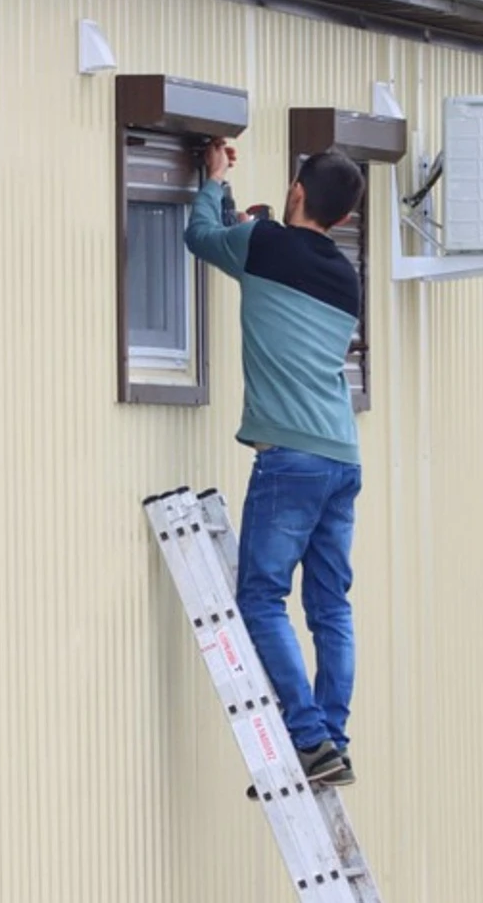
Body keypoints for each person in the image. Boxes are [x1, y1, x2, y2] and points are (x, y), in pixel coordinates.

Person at [183, 137, 367, 788]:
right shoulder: (346, 277)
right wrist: (249, 224)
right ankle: (334, 740)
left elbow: (202, 238)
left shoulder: (262, 244)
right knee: (329, 607)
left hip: (290, 458)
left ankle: (310, 740)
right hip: (342, 456)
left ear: (296, 194)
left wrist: (213, 178)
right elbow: (262, 257)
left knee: (261, 597)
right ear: (343, 218)